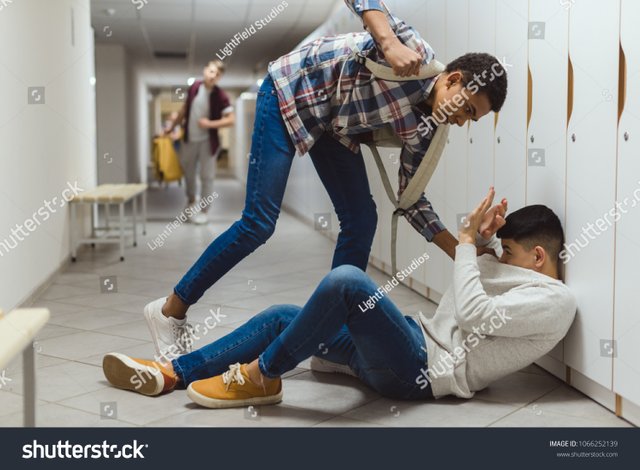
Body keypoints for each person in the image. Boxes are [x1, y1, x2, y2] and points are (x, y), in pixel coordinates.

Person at [142, 0, 508, 360]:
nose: (462, 120)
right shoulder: (414, 53)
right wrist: (388, 42)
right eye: (467, 108)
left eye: (471, 119)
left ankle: (328, 332)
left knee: (363, 219)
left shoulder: (426, 130)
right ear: (455, 79)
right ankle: (169, 310)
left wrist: (464, 249)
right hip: (290, 92)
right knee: (259, 223)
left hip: (332, 128)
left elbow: (410, 200)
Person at [104, 188, 576, 409]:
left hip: (419, 371)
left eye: (509, 251)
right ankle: (172, 373)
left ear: (538, 257)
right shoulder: (511, 269)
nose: (499, 257)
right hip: (409, 341)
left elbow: (475, 311)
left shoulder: (554, 303)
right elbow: (476, 282)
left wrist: (471, 244)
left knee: (348, 280)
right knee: (279, 318)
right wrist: (487, 244)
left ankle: (262, 377)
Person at [164, 60, 235, 225]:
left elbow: (231, 120)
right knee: (188, 173)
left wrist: (210, 124)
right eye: (211, 71)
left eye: (217, 74)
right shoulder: (195, 87)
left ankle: (204, 210)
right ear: (205, 71)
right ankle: (190, 201)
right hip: (189, 140)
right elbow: (183, 110)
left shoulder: (220, 95)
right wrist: (171, 128)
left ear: (220, 78)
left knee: (207, 176)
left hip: (208, 142)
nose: (213, 76)